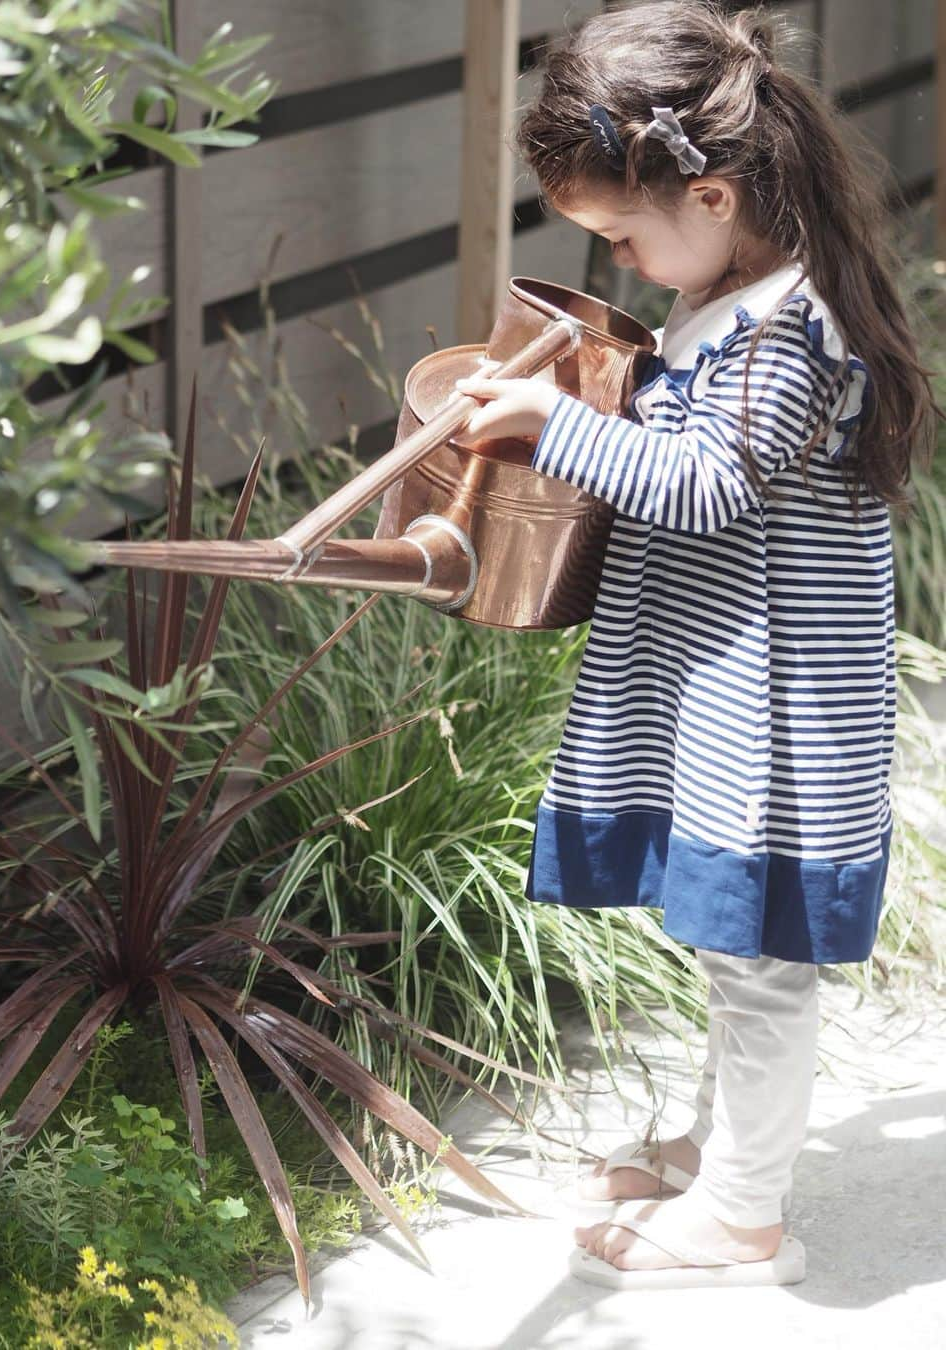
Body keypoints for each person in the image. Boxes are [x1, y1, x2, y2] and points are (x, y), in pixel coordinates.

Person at [453, 0, 939, 1291]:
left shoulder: (793, 328)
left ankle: (745, 1214)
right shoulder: (737, 294)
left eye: (621, 233)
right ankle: (729, 1151)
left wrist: (551, 428)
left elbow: (711, 484)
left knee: (758, 959)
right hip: (728, 687)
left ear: (712, 194)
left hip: (779, 710)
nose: (613, 262)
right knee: (731, 942)